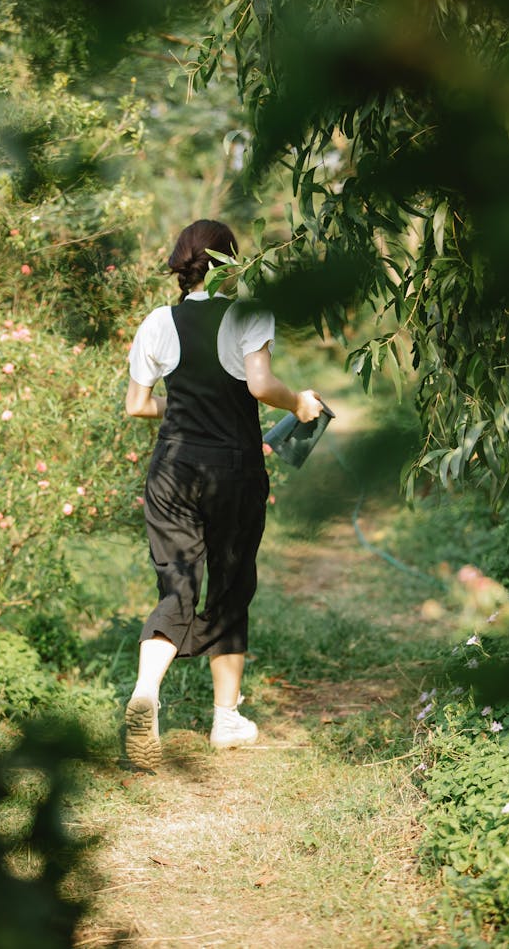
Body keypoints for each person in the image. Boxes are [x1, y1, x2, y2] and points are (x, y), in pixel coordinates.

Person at [124, 219, 323, 768]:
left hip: (170, 469)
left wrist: (184, 407)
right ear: (231, 261)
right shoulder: (248, 311)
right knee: (230, 584)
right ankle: (226, 719)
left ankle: (146, 694)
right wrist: (299, 404)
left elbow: (139, 405)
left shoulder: (156, 322)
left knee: (176, 586)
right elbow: (260, 385)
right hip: (230, 470)